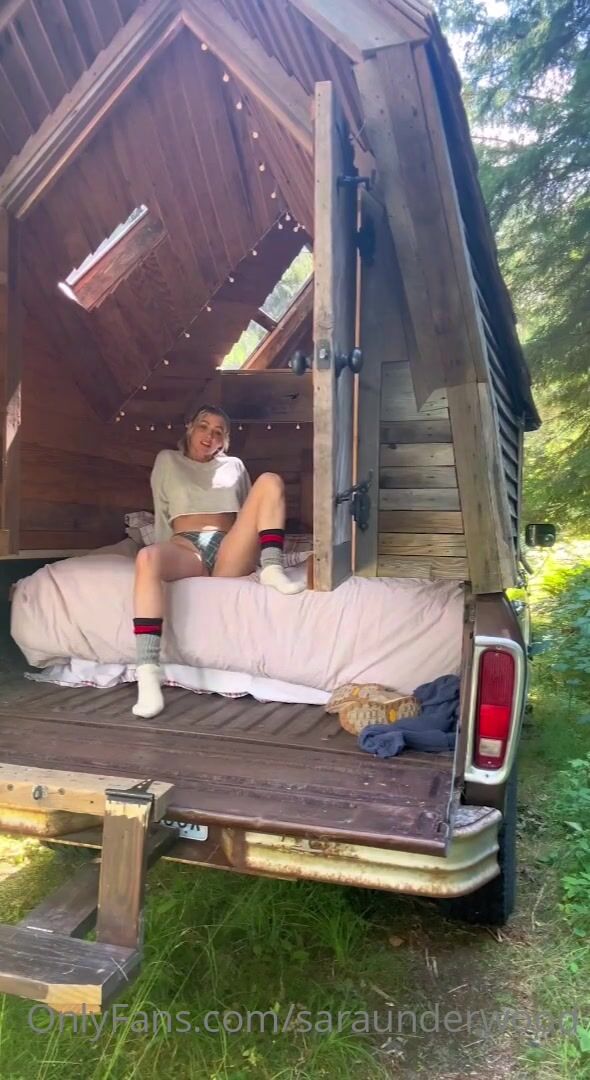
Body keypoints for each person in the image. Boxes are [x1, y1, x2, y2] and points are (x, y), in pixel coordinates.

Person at [132, 404, 305, 718]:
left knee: (270, 481)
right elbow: (161, 511)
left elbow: (253, 512)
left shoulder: (234, 465)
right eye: (203, 426)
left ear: (225, 440)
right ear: (190, 427)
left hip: (229, 546)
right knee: (146, 558)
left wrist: (251, 552)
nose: (209, 435)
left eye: (218, 431)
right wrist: (161, 555)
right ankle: (148, 673)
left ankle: (272, 567)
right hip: (187, 546)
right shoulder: (167, 460)